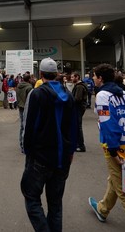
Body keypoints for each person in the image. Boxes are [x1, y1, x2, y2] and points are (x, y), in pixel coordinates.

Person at [88, 63, 125, 232]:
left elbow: (107, 124)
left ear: (100, 78)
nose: (93, 78)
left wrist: (113, 150)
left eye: (94, 75)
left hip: (115, 147)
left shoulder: (102, 95)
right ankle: (103, 209)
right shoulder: (124, 94)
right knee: (114, 179)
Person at [21, 58, 78, 232]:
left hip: (40, 157)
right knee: (55, 203)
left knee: (31, 197)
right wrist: (71, 150)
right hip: (62, 158)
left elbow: (28, 125)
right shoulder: (68, 95)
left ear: (41, 74)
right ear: (57, 74)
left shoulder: (37, 94)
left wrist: (27, 150)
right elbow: (73, 126)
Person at [71, 72, 88, 152]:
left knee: (78, 126)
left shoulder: (79, 87)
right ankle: (79, 144)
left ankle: (80, 145)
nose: (71, 79)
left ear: (77, 77)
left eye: (72, 77)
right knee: (78, 126)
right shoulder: (80, 86)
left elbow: (77, 99)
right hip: (80, 107)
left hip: (78, 107)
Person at [16, 73, 33, 152]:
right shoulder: (29, 87)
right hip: (27, 107)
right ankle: (24, 145)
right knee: (26, 126)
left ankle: (21, 143)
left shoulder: (18, 86)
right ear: (29, 79)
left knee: (22, 125)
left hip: (20, 106)